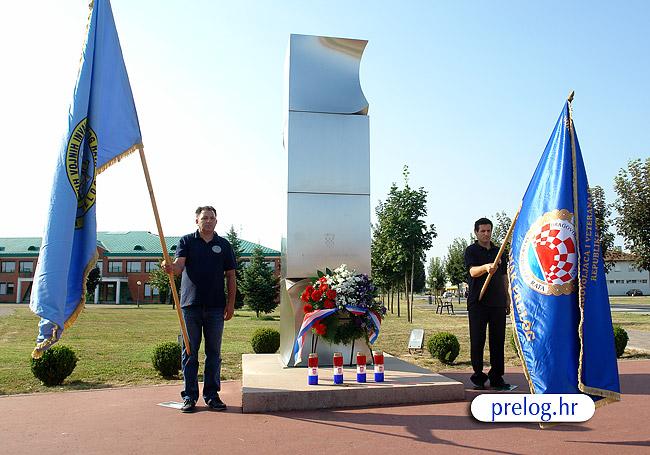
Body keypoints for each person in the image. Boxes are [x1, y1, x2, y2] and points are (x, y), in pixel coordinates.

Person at [163, 206, 236, 413]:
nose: (208, 221)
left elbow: (231, 275)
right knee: (189, 352)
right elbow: (179, 266)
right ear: (197, 220)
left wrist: (231, 304)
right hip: (190, 306)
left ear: (216, 221)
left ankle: (212, 396)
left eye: (212, 218)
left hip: (215, 307)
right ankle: (189, 396)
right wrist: (170, 267)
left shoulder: (224, 245)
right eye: (205, 218)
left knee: (214, 353)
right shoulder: (187, 241)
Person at [464, 217, 511, 390]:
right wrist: (486, 267)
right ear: (476, 232)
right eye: (482, 231)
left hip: (497, 302)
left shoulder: (499, 252)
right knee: (477, 340)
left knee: (498, 341)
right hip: (478, 302)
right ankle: (478, 376)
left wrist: (507, 298)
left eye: (488, 230)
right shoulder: (471, 250)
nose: (486, 234)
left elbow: (504, 276)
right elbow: (472, 271)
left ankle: (497, 376)